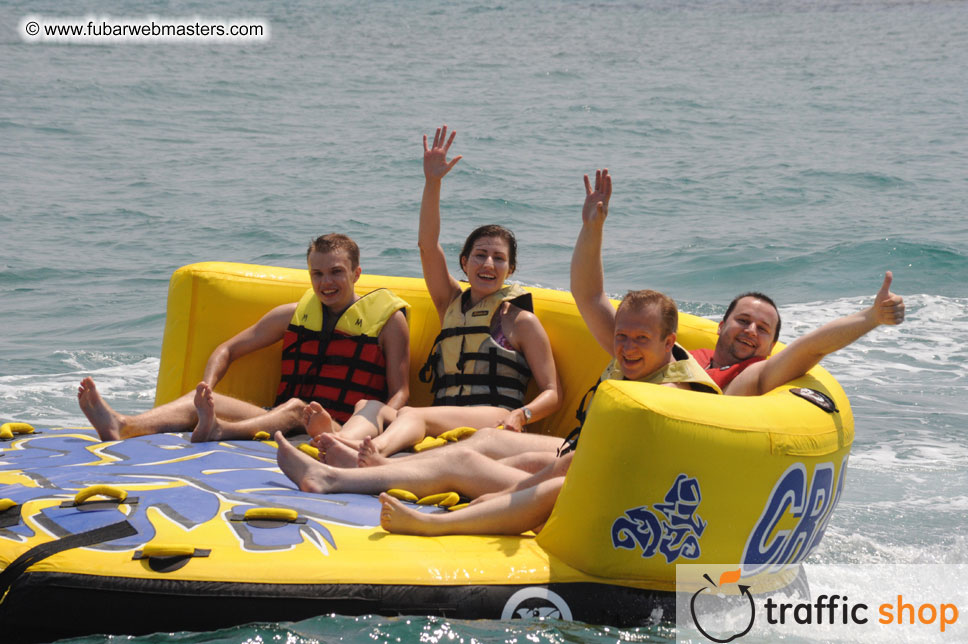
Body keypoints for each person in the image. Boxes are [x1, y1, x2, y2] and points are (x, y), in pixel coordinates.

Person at [274, 287, 719, 525]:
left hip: (594, 491)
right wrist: (593, 225)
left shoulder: (671, 393)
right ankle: (364, 467)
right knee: (488, 441)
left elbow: (580, 466)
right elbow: (589, 292)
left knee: (466, 460)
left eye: (641, 339)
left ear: (669, 343)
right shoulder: (639, 365)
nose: (626, 347)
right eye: (621, 336)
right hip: (575, 460)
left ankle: (334, 477)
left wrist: (511, 484)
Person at [310, 124, 562, 467]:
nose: (488, 264)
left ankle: (368, 456)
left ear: (510, 270)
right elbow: (427, 246)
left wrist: (522, 415)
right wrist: (433, 182)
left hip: (495, 416)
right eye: (480, 255)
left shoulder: (520, 321)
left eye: (499, 258)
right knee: (370, 406)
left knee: (412, 415)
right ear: (464, 262)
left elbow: (552, 393)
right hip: (447, 413)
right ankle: (340, 440)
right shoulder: (451, 304)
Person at [576, 168, 906, 397]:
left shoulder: (752, 377)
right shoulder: (664, 354)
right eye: (743, 320)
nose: (751, 330)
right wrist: (593, 228)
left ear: (772, 345)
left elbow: (811, 346)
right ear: (720, 326)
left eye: (763, 329)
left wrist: (872, 317)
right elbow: (590, 298)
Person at [77, 234, 411, 442]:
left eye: (336, 272)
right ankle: (124, 425)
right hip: (281, 418)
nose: (326, 282)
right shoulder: (291, 315)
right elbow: (228, 349)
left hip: (338, 429)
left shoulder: (388, 322)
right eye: (318, 273)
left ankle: (220, 430)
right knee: (210, 404)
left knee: (296, 408)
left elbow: (400, 393)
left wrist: (371, 430)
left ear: (356, 273)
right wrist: (206, 389)